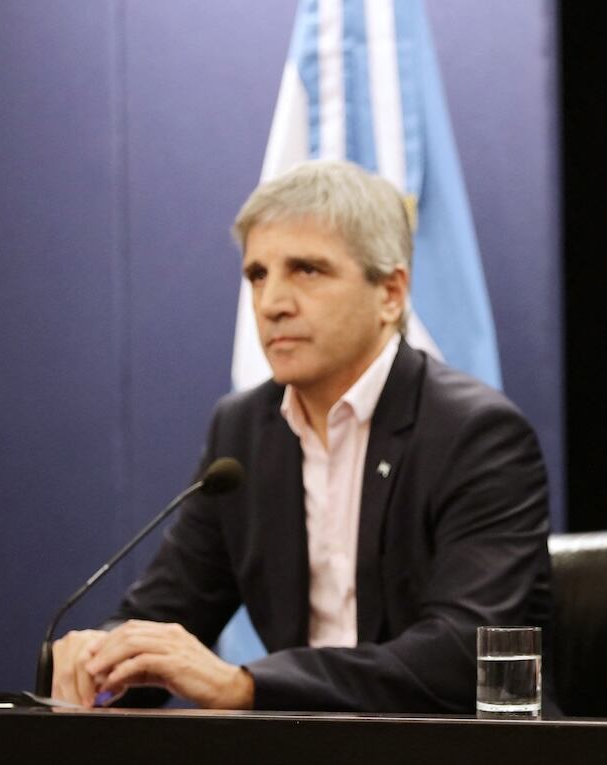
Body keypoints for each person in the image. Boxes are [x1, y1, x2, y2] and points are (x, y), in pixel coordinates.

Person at [49, 160, 555, 713]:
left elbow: (464, 653)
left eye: (307, 270)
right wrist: (109, 657)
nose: (271, 303)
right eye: (257, 275)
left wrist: (248, 686)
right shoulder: (243, 433)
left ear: (390, 293)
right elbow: (170, 606)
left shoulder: (476, 435)